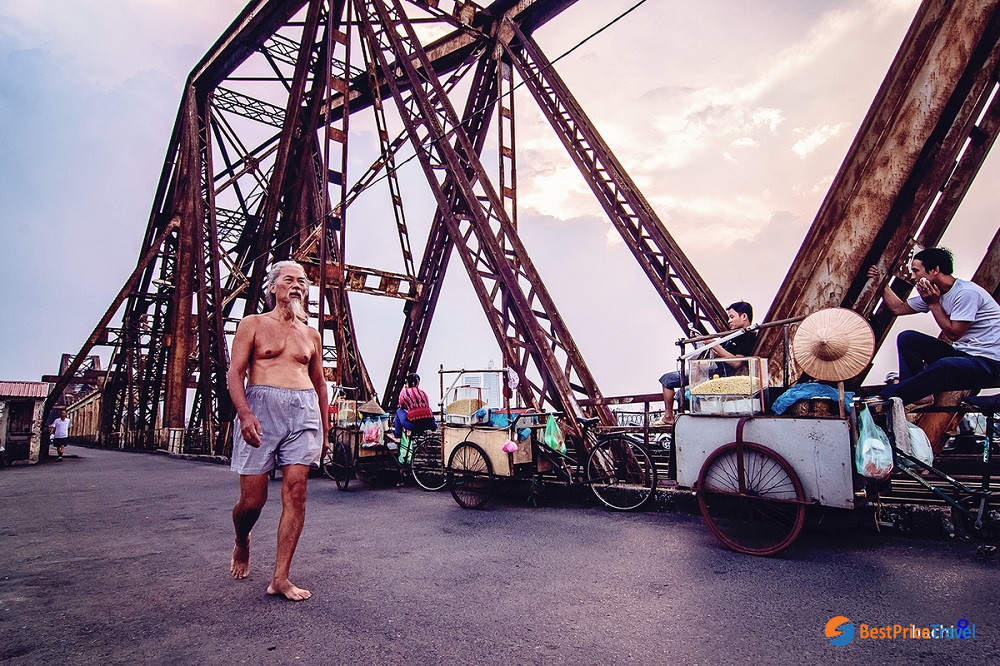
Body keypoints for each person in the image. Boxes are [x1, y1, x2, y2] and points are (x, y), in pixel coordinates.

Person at [227, 260, 329, 601]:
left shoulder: (311, 335)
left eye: (302, 281)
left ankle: (281, 578)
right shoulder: (252, 324)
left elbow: (319, 385)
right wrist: (244, 414)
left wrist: (325, 432)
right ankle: (242, 540)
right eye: (289, 279)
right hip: (261, 410)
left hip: (304, 413)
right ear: (273, 287)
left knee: (297, 492)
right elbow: (235, 373)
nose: (297, 285)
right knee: (252, 501)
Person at [870, 247, 1000, 405]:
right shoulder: (936, 293)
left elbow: (954, 334)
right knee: (908, 338)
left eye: (916, 271)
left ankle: (892, 395)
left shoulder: (966, 293)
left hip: (990, 364)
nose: (913, 276)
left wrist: (933, 304)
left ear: (935, 270)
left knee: (945, 366)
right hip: (966, 355)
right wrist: (880, 282)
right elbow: (898, 308)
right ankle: (918, 395)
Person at [656, 301, 758, 426]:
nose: (729, 321)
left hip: (719, 376)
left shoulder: (748, 336)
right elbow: (719, 354)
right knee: (668, 381)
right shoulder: (732, 335)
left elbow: (737, 363)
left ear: (744, 316)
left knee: (670, 382)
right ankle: (669, 416)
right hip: (711, 371)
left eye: (732, 317)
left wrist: (714, 345)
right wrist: (704, 342)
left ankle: (669, 416)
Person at [393, 373, 438, 439]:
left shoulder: (405, 392)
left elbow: (401, 405)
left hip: (414, 425)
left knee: (398, 411)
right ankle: (433, 430)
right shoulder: (423, 393)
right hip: (430, 424)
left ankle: (398, 435)